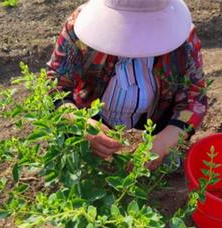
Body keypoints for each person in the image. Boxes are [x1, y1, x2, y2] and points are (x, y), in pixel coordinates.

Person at [47, 0, 208, 170]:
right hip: (91, 115)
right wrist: (81, 124)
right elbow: (55, 84)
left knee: (165, 168)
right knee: (77, 162)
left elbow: (194, 96)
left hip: (156, 121)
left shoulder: (182, 38)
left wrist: (163, 142)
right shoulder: (79, 29)